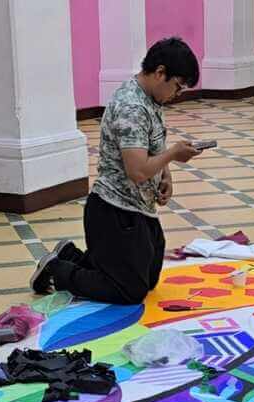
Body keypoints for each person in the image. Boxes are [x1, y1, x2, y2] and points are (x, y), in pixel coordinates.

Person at [30, 37, 204, 304]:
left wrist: (166, 175)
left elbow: (153, 146)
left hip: (139, 208)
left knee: (148, 278)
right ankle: (57, 271)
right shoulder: (131, 107)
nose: (177, 95)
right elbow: (136, 171)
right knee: (129, 291)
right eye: (177, 87)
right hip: (114, 210)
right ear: (160, 73)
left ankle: (72, 256)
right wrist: (173, 154)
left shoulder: (152, 100)